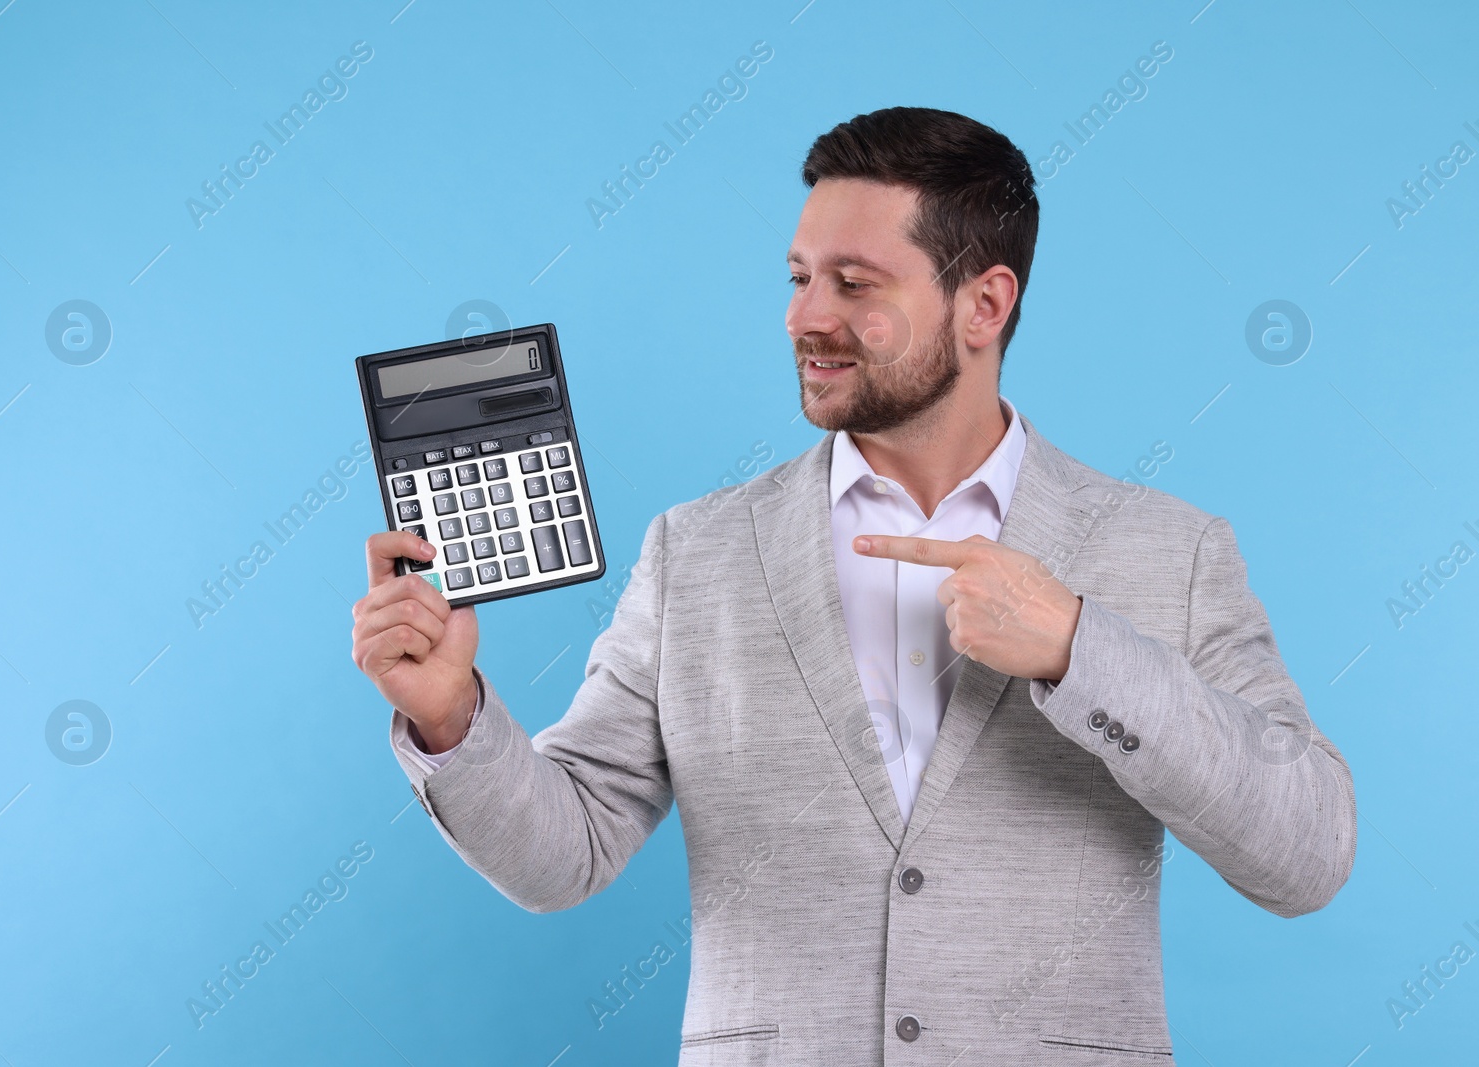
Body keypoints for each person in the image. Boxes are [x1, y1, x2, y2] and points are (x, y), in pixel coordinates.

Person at [349, 107, 1356, 1065]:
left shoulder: (1167, 549)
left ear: (984, 305)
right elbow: (565, 851)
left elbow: (1305, 850)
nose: (804, 317)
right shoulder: (695, 551)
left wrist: (1077, 647)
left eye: (853, 283)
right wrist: (450, 719)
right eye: (797, 277)